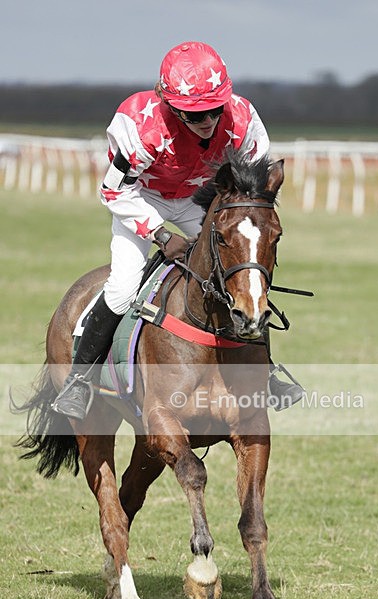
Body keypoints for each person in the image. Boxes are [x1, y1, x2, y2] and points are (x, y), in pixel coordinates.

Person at [52, 41, 303, 420]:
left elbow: (252, 188)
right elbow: (113, 189)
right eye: (194, 114)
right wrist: (160, 234)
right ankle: (78, 381)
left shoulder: (245, 121)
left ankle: (267, 373)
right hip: (139, 198)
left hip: (194, 200)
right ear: (169, 105)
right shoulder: (140, 127)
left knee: (242, 277)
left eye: (215, 109)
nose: (207, 121)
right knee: (121, 290)